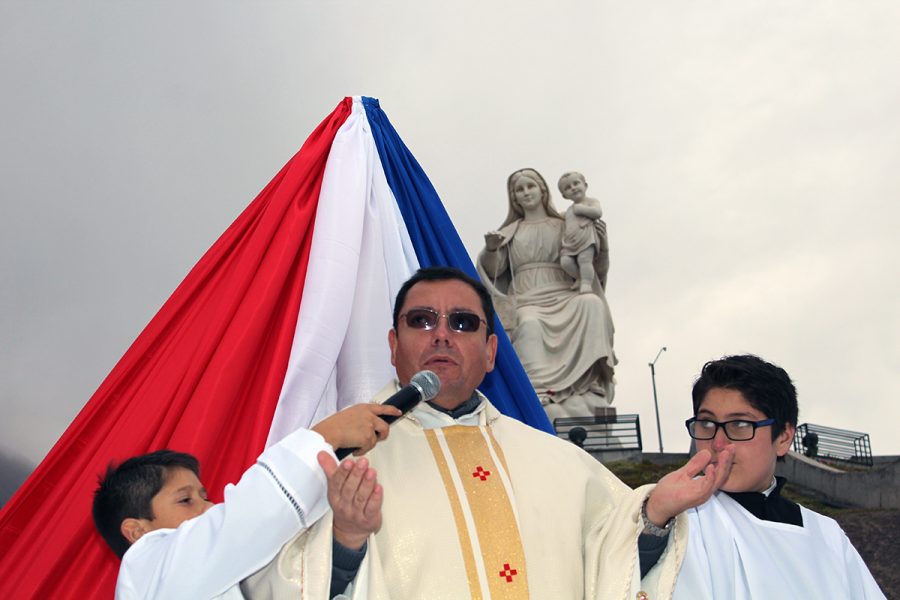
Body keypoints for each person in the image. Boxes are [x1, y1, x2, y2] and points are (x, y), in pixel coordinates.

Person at [244, 267, 735, 599]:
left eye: (462, 322)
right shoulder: (338, 457)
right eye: (422, 321)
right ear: (393, 345)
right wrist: (346, 542)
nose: (442, 334)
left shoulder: (559, 463)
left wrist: (652, 515)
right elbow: (270, 579)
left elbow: (615, 563)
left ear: (491, 351)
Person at [92, 403, 401, 599]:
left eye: (205, 496)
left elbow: (300, 590)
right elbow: (241, 521)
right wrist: (324, 437)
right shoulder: (145, 568)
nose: (210, 507)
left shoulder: (220, 577)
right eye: (185, 500)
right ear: (137, 531)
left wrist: (347, 537)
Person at [674, 354, 885, 599]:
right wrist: (652, 520)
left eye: (740, 425)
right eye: (707, 424)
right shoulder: (675, 518)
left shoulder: (826, 536)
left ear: (783, 437)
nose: (719, 443)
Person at [478, 168, 616, 416]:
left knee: (591, 304)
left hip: (564, 290)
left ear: (542, 189)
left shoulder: (565, 223)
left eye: (530, 186)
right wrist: (490, 250)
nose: (526, 192)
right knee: (529, 323)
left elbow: (591, 261)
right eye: (519, 189)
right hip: (527, 296)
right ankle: (537, 392)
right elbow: (495, 272)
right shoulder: (512, 231)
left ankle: (588, 388)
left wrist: (601, 244)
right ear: (514, 198)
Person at [558, 171, 607, 294]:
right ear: (564, 196)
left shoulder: (591, 202)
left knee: (584, 260)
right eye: (568, 188)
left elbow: (598, 213)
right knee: (565, 262)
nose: (573, 188)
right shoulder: (569, 210)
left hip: (586, 238)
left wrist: (582, 209)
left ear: (585, 185)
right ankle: (579, 277)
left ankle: (586, 283)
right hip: (570, 243)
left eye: (576, 183)